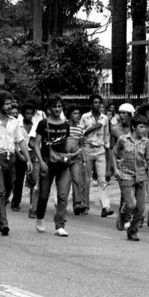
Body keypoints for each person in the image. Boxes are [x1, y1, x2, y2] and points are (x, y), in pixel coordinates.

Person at [0, 91, 32, 236]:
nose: (10, 106)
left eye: (11, 103)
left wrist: (27, 159)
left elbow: (21, 141)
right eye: (7, 104)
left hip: (11, 160)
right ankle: (4, 224)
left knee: (9, 189)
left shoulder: (14, 122)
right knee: (0, 191)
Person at [33, 95, 74, 236]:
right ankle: (40, 218)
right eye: (54, 106)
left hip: (62, 163)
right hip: (47, 162)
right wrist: (41, 161)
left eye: (59, 106)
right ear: (49, 109)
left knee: (63, 195)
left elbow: (66, 145)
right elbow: (35, 144)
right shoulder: (43, 123)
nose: (57, 109)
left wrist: (71, 155)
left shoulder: (66, 124)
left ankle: (59, 225)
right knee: (44, 195)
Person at [111, 115, 149, 241]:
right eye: (141, 127)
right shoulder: (123, 139)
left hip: (141, 176)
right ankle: (123, 213)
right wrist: (116, 169)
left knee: (141, 208)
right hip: (125, 174)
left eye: (145, 127)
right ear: (133, 127)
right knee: (131, 204)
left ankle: (133, 230)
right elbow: (114, 153)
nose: (144, 130)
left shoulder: (146, 142)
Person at [80, 94, 113, 217]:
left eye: (99, 102)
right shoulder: (85, 117)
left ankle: (105, 206)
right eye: (95, 102)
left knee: (102, 179)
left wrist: (107, 150)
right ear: (91, 104)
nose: (97, 104)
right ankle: (85, 205)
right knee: (86, 179)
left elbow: (107, 136)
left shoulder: (104, 118)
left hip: (100, 150)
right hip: (88, 149)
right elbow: (81, 134)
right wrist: (93, 127)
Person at [65, 105, 87, 216]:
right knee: (65, 181)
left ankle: (77, 204)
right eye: (75, 113)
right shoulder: (64, 126)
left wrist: (84, 159)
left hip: (76, 158)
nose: (77, 116)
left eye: (78, 114)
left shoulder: (80, 128)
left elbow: (81, 144)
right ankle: (62, 203)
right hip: (65, 157)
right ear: (69, 115)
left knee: (77, 180)